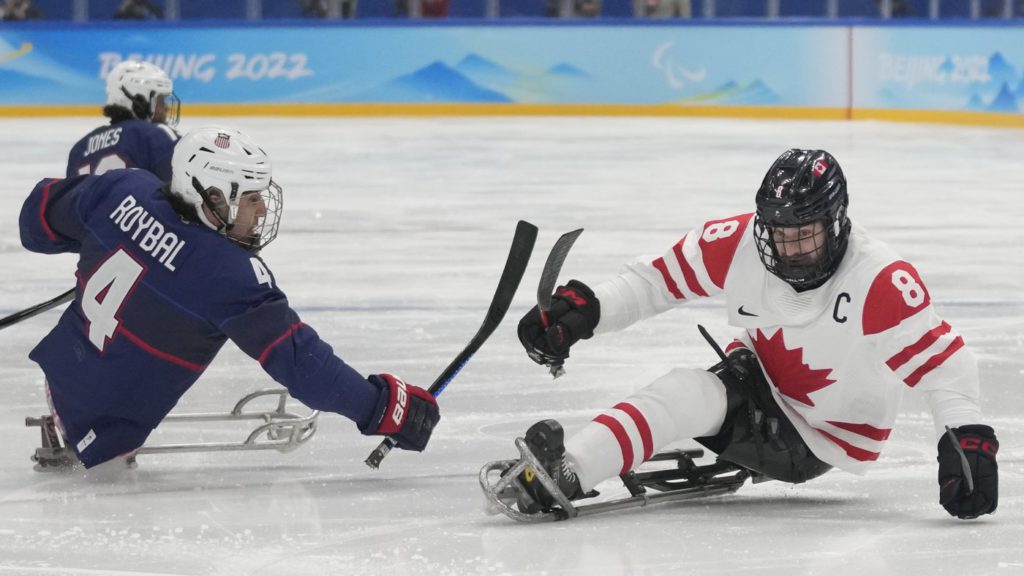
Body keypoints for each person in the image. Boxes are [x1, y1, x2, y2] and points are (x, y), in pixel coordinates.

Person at [512, 149, 998, 520]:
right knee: (694, 391)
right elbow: (654, 281)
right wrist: (583, 310)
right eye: (779, 233)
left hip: (820, 436)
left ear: (837, 220)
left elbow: (946, 371)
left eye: (805, 233)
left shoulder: (879, 281)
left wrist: (968, 441)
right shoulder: (739, 241)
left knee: (685, 391)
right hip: (759, 379)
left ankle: (571, 469)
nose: (789, 249)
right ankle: (574, 466)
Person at [19, 125, 440, 469]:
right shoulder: (229, 274)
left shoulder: (122, 187)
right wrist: (384, 407)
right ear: (213, 197)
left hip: (60, 380)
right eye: (253, 197)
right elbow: (303, 365)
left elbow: (35, 221)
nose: (261, 210)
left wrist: (109, 239)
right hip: (107, 430)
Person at [67, 60, 179, 181]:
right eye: (160, 100)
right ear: (138, 101)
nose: (166, 107)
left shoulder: (79, 150)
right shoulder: (155, 135)